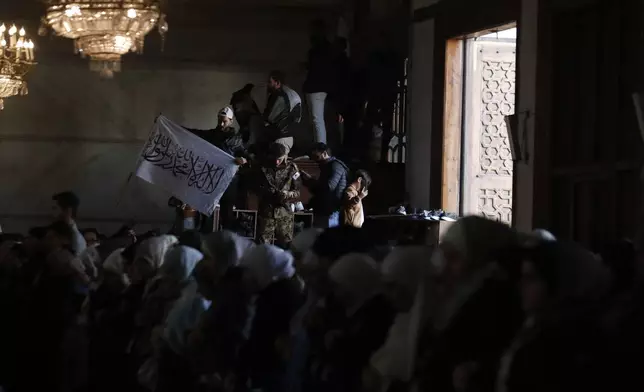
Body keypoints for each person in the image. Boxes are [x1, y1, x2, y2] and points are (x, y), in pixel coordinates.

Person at [176, 106, 249, 233]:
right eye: (219, 120)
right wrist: (173, 127)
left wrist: (243, 160)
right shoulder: (211, 135)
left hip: (229, 183)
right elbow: (193, 133)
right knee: (206, 213)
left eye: (224, 121)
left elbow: (247, 157)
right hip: (210, 180)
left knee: (227, 215)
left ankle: (226, 241)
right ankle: (205, 242)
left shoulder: (236, 140)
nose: (221, 124)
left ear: (231, 121)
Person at [250, 142, 301, 249]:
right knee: (262, 246)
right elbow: (253, 187)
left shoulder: (292, 168)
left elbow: (297, 191)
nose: (277, 162)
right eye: (274, 158)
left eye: (280, 159)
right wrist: (265, 191)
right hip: (266, 212)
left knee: (287, 245)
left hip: (284, 213)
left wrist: (288, 194)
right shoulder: (261, 168)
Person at [302, 143, 349, 228]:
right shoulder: (326, 167)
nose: (314, 159)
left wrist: (311, 181)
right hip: (324, 209)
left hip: (332, 210)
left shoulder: (335, 165)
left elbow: (329, 187)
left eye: (316, 156)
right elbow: (320, 190)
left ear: (324, 153)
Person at [303, 19, 333, 144]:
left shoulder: (321, 49)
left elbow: (318, 67)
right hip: (316, 87)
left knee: (317, 120)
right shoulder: (322, 48)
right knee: (315, 120)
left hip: (317, 87)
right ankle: (319, 147)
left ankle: (321, 149)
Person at [263, 70, 302, 155]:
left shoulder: (281, 96)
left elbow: (270, 118)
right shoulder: (291, 93)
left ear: (277, 83)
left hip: (280, 138)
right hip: (287, 136)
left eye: (270, 82)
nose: (268, 85)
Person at [52, 191, 86, 256]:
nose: (51, 214)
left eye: (54, 208)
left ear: (68, 211)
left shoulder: (75, 239)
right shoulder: (55, 231)